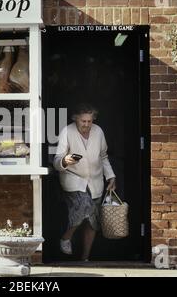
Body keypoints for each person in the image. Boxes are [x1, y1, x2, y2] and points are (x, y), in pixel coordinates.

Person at [53, 103, 116, 261]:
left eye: (89, 121)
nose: (87, 125)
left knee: (93, 222)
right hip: (73, 178)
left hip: (95, 181)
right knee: (84, 206)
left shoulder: (98, 131)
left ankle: (85, 258)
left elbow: (103, 156)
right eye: (83, 121)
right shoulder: (67, 131)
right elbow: (57, 159)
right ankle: (66, 238)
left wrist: (111, 176)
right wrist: (65, 161)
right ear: (76, 119)